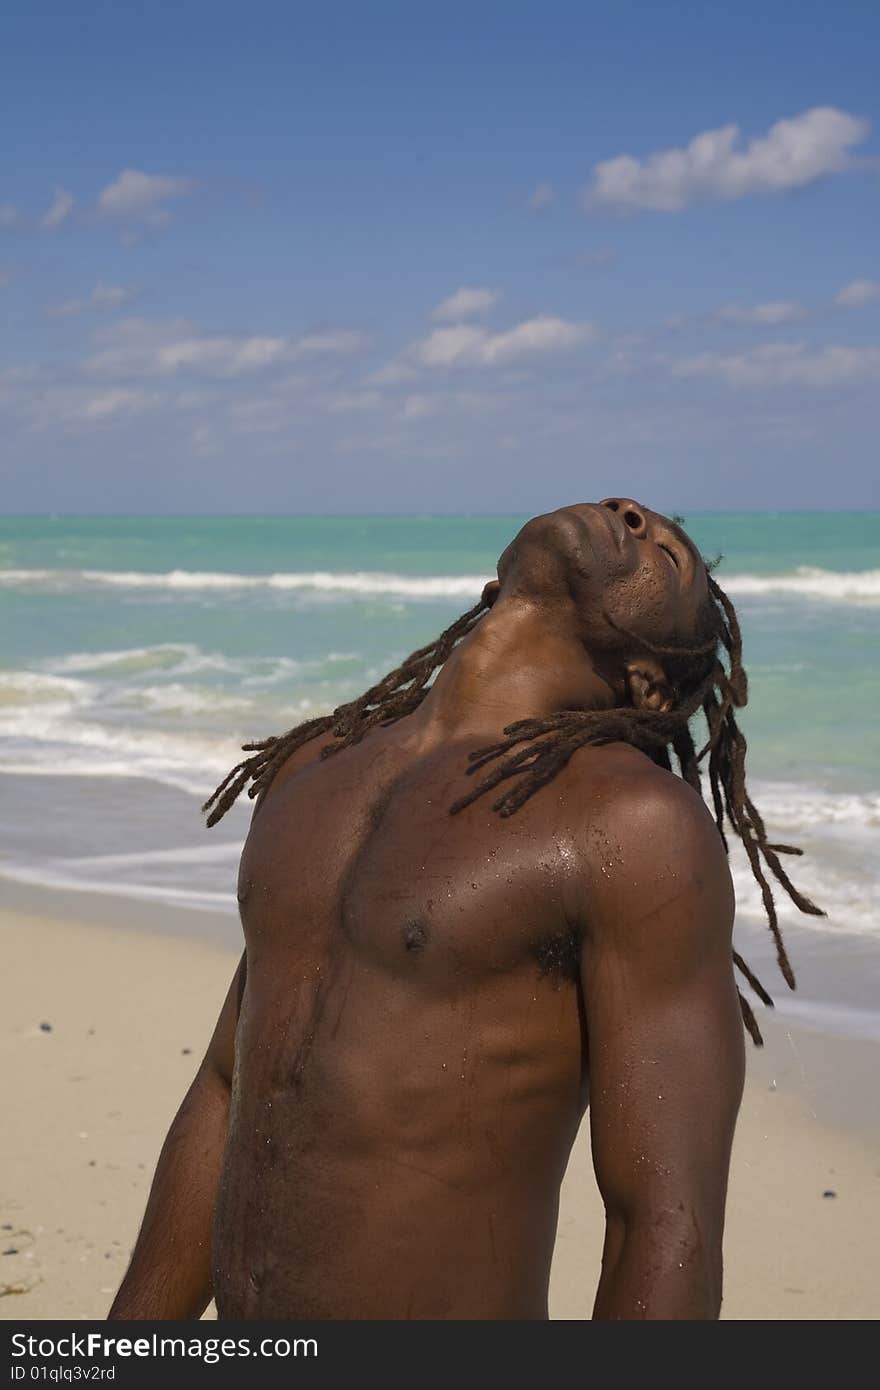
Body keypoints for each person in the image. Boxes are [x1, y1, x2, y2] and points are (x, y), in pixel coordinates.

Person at [108, 498, 821, 1321]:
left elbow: (664, 1219)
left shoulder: (630, 827)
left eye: (668, 554)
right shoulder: (314, 767)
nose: (634, 514)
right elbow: (228, 1086)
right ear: (493, 586)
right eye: (633, 512)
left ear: (650, 682)